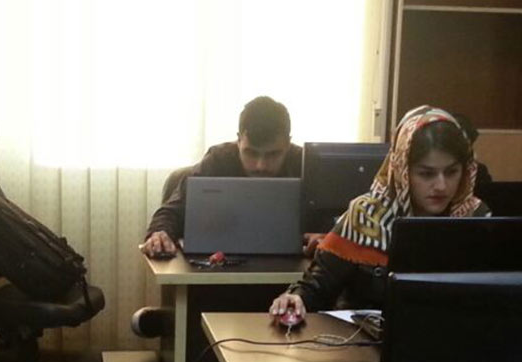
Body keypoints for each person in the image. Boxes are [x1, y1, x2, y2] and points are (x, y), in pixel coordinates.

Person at [269, 105, 490, 317]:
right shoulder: (365, 215)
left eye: (451, 172)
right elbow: (317, 286)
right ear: (402, 171)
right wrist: (296, 298)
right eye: (426, 174)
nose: (441, 186)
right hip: (363, 339)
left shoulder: (476, 218)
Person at [141, 95, 304, 258]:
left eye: (273, 154)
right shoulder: (218, 159)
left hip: (294, 268)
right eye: (251, 153)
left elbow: (321, 219)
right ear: (239, 141)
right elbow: (172, 210)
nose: (260, 166)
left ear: (288, 144)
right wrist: (159, 232)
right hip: (219, 267)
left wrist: (319, 236)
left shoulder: (305, 163)